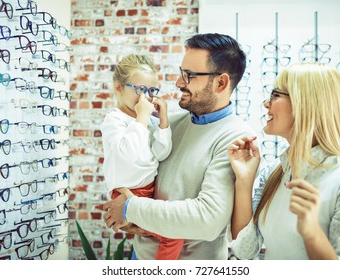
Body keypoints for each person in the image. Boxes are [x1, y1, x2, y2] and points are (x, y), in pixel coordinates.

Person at [103, 33, 254, 260]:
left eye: (189, 75)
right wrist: (127, 212)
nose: (178, 83)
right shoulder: (168, 124)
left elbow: (207, 220)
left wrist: (130, 207)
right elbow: (130, 172)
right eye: (181, 73)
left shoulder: (236, 140)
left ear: (221, 83)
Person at [229, 62, 340, 260]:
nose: (266, 104)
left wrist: (312, 233)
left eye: (275, 95)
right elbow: (243, 250)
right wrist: (244, 181)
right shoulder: (274, 172)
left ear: (304, 103)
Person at [100, 54, 184, 260]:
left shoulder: (149, 121)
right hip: (128, 194)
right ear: (119, 88)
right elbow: (128, 153)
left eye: (151, 90)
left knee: (167, 233)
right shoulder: (115, 120)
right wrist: (142, 118)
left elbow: (161, 153)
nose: (145, 97)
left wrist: (162, 121)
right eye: (139, 90)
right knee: (173, 236)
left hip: (147, 193)